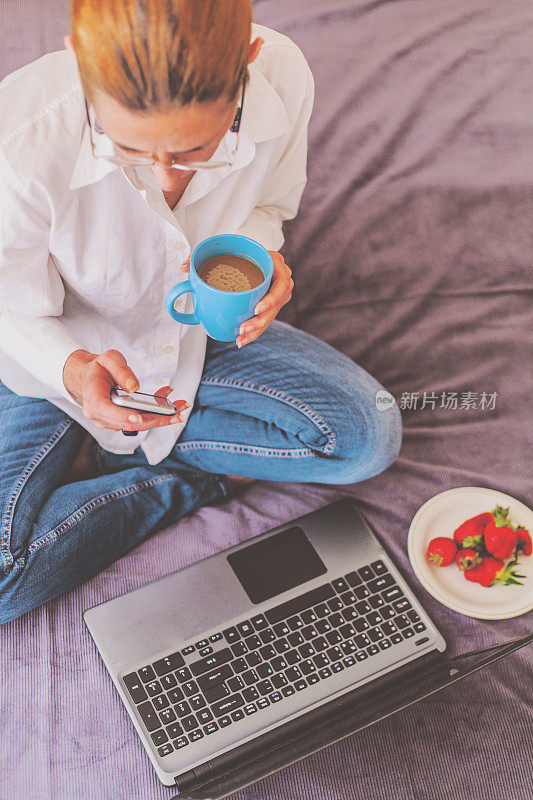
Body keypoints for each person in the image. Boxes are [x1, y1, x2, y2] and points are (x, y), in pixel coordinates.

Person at [0, 0, 402, 625]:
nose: (163, 177)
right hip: (50, 349)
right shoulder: (19, 140)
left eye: (193, 150)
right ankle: (192, 478)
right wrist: (71, 370)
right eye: (128, 147)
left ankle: (117, 458)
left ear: (247, 61)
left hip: (195, 336)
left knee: (367, 439)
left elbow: (268, 207)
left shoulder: (285, 76)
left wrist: (266, 260)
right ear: (80, 61)